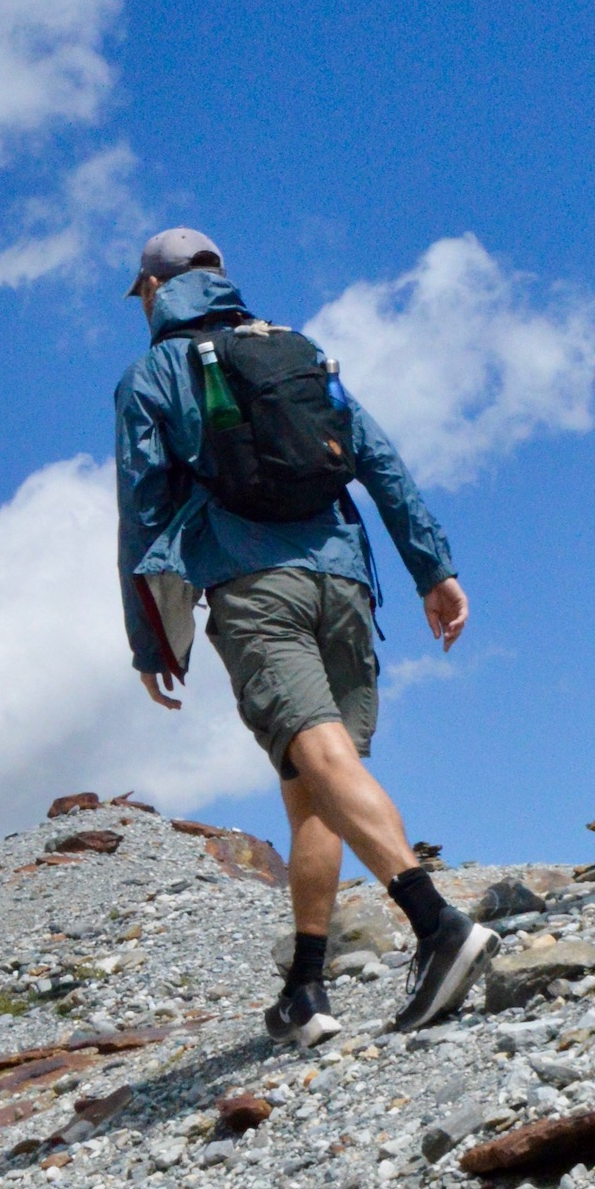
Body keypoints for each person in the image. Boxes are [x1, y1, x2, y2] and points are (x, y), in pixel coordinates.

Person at [116, 228, 491, 1037]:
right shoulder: (297, 351)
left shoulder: (154, 372)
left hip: (254, 584)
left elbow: (142, 507)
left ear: (152, 289)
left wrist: (153, 638)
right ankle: (308, 986)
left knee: (315, 753)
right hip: (345, 578)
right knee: (316, 779)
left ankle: (436, 925)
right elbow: (376, 458)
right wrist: (433, 569)